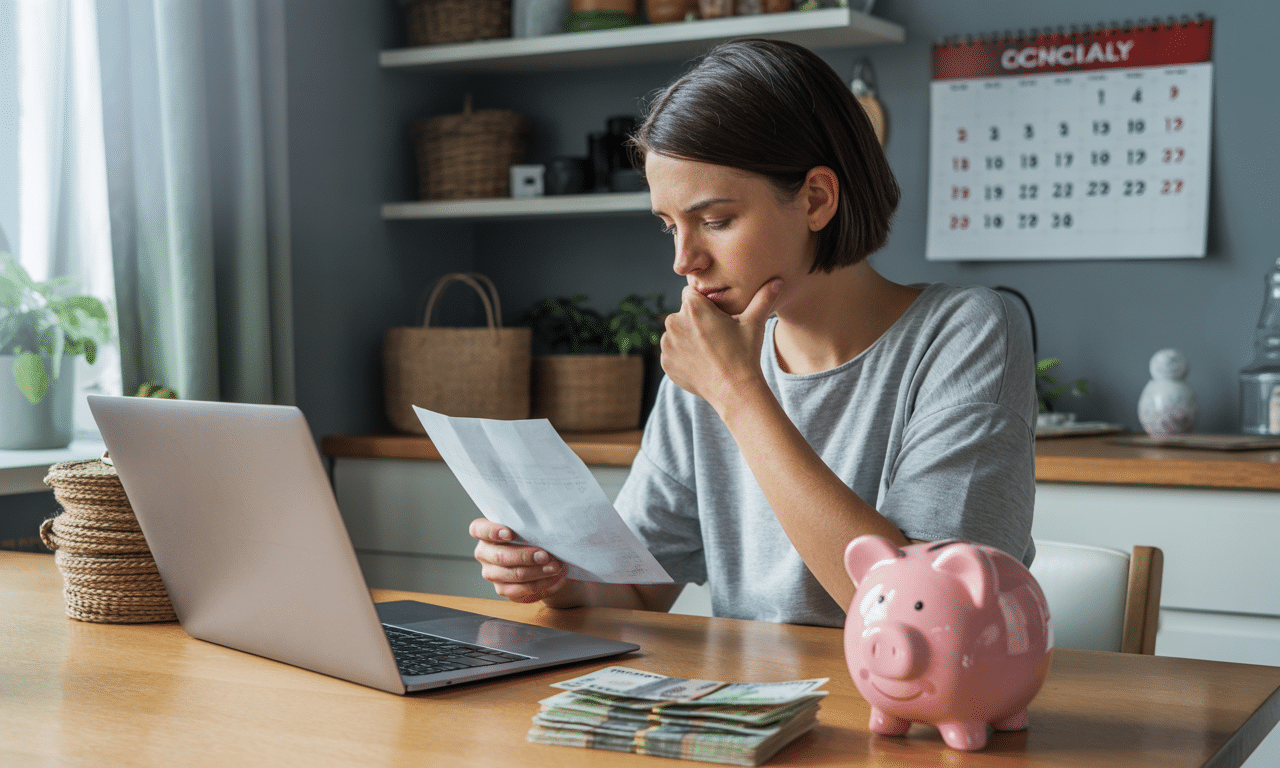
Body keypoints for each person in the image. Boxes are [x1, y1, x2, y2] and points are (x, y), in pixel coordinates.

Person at [468, 38, 1036, 627]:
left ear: (816, 199)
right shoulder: (714, 359)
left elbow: (923, 619)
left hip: (912, 711)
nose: (684, 261)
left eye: (715, 220)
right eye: (670, 226)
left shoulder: (965, 332)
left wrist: (738, 392)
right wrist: (562, 577)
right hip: (752, 711)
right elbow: (637, 593)